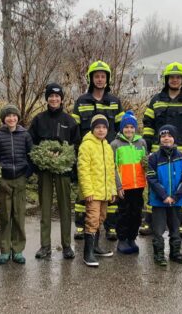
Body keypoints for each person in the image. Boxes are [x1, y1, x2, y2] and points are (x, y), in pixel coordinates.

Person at [141, 62, 182, 239]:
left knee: (180, 188)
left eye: (178, 77)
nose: (175, 80)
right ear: (166, 79)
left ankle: (179, 224)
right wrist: (146, 146)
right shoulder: (156, 100)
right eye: (172, 77)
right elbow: (148, 124)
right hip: (158, 153)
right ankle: (150, 222)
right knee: (154, 186)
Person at [72, 61, 124, 241]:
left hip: (108, 153)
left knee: (109, 189)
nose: (100, 79)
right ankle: (81, 226)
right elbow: (75, 128)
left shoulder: (115, 102)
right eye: (96, 76)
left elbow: (120, 128)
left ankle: (110, 227)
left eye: (103, 76)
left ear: (107, 79)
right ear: (91, 79)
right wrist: (77, 150)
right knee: (85, 187)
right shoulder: (81, 101)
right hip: (87, 152)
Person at [28, 83, 80, 260]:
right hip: (45, 171)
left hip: (63, 171)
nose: (54, 99)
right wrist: (37, 164)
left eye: (57, 96)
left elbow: (76, 145)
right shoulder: (38, 119)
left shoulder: (69, 121)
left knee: (65, 208)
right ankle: (45, 246)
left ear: (62, 99)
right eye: (51, 96)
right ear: (47, 98)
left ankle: (66, 245)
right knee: (45, 208)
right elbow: (31, 143)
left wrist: (72, 170)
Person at [0, 105, 33, 265]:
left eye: (14, 116)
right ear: (3, 119)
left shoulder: (25, 135)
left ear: (18, 118)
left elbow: (31, 155)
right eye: (8, 116)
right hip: (3, 180)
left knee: (19, 215)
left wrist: (27, 174)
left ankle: (18, 249)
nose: (11, 119)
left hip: (20, 178)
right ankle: (5, 250)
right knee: (5, 216)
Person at [145, 125, 182, 266]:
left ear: (174, 138)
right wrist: (164, 195)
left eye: (169, 136)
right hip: (159, 201)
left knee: (175, 229)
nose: (166, 138)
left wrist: (176, 196)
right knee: (158, 229)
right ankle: (159, 254)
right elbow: (152, 179)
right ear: (159, 139)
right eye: (163, 136)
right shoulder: (153, 158)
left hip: (177, 200)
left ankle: (175, 253)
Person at [77, 114, 119, 267]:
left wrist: (113, 190)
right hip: (93, 192)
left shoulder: (107, 146)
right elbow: (83, 170)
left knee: (101, 218)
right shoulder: (86, 145)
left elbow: (111, 170)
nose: (101, 130)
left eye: (104, 127)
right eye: (98, 127)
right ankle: (87, 253)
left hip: (105, 192)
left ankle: (95, 247)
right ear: (92, 129)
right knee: (92, 220)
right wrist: (87, 191)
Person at [110, 111, 148, 254]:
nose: (129, 130)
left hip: (138, 186)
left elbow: (145, 164)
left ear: (136, 128)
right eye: (126, 127)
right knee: (124, 214)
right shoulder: (115, 144)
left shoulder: (142, 142)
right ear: (121, 128)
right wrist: (118, 186)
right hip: (124, 187)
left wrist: (147, 180)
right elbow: (113, 167)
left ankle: (132, 238)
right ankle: (122, 239)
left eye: (132, 127)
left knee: (136, 214)